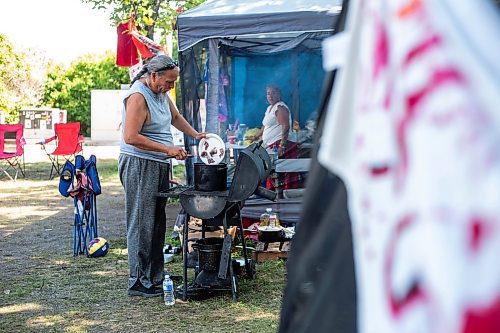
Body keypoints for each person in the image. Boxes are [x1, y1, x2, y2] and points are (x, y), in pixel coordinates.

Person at [118, 55, 206, 297]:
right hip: (139, 164)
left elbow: (175, 118)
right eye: (169, 81)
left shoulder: (160, 93)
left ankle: (154, 276)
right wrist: (168, 150)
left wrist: (196, 135)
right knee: (141, 221)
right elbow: (131, 137)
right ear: (153, 75)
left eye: (174, 82)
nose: (171, 86)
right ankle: (137, 280)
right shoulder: (138, 96)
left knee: (156, 223)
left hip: (157, 164)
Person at [246, 85, 300, 190]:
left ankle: (285, 198)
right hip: (272, 145)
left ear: (279, 94)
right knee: (272, 172)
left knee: (283, 173)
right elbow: (265, 126)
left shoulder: (280, 107)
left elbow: (286, 126)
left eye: (273, 93)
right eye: (268, 93)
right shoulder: (269, 108)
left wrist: (282, 146)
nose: (270, 96)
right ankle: (275, 195)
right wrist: (255, 136)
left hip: (283, 144)